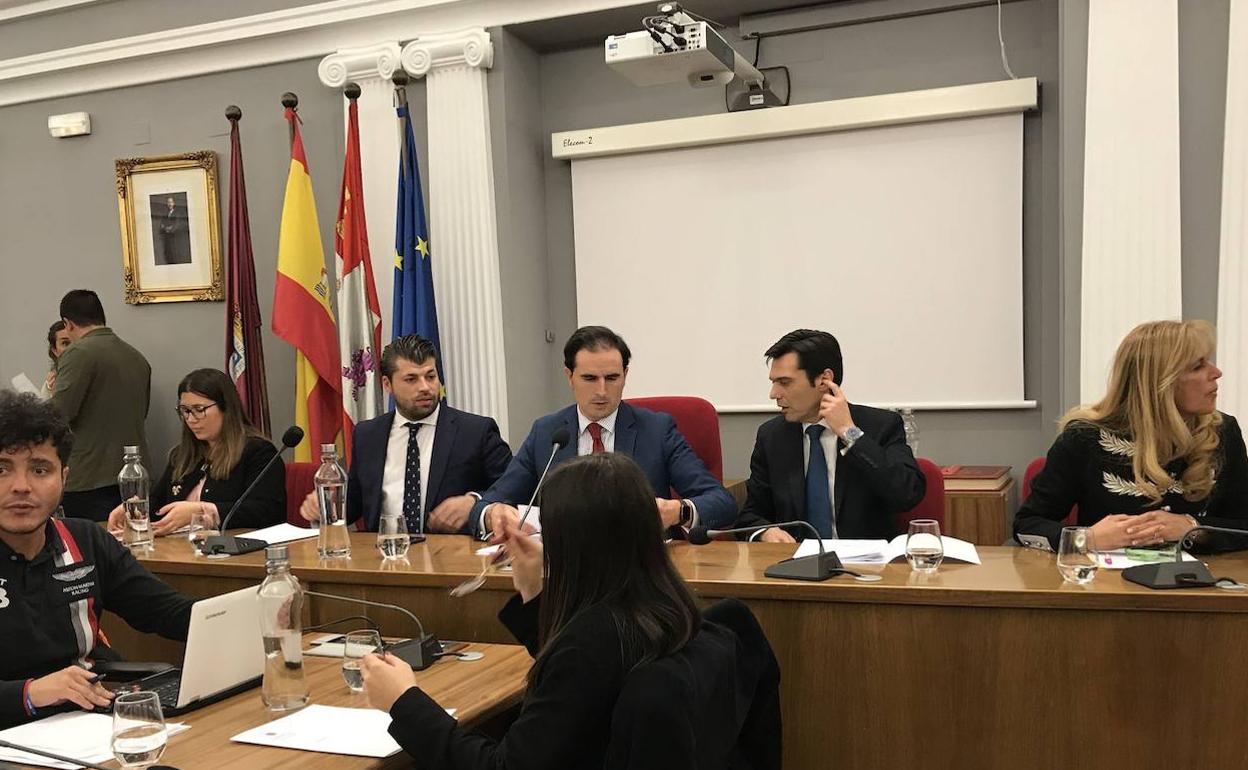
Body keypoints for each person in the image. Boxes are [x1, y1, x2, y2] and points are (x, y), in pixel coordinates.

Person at [361, 453, 754, 768]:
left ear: (572, 545)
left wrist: (403, 702)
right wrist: (534, 592)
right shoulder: (667, 603)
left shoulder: (590, 646)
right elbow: (585, 695)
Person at [0, 392, 196, 728]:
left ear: (64, 478)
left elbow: (170, 613)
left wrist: (255, 614)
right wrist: (30, 692)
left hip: (86, 721)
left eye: (40, 469)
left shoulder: (85, 540)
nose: (21, 486)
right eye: (2, 469)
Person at [471, 326, 735, 539]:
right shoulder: (548, 433)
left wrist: (678, 511)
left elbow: (721, 502)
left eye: (611, 378)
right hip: (565, 570)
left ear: (625, 375)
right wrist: (493, 514)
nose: (601, 390)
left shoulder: (657, 430)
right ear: (569, 376)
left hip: (640, 572)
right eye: (589, 378)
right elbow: (485, 505)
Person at [1014, 320, 1248, 551]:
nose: (1216, 373)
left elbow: (1242, 527)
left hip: (1198, 584)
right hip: (1106, 583)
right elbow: (1027, 525)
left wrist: (1192, 526)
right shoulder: (1084, 438)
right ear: (1159, 383)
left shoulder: (1222, 432)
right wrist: (1088, 538)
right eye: (1198, 366)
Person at [297, 335, 511, 533]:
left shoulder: (475, 431)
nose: (425, 387)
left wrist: (475, 502)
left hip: (451, 558)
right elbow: (356, 503)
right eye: (411, 379)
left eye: (430, 376)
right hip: (383, 557)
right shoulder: (367, 435)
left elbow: (515, 490)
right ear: (387, 384)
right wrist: (328, 506)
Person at [734, 329, 926, 542]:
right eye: (773, 382)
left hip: (868, 567)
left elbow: (906, 494)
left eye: (785, 382)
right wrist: (765, 532)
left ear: (824, 380)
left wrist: (850, 434)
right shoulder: (772, 437)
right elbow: (750, 515)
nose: (774, 394)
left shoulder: (880, 426)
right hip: (795, 566)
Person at [106, 369, 286, 537]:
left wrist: (201, 511)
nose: (191, 420)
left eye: (199, 410)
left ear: (226, 408)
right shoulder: (182, 455)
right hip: (180, 550)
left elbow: (265, 511)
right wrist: (136, 508)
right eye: (185, 411)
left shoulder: (258, 452)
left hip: (236, 554)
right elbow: (158, 501)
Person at [52, 289, 152, 522]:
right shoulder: (136, 357)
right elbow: (142, 412)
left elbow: (58, 415)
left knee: (88, 550)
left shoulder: (78, 353)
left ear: (68, 323)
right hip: (135, 475)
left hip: (88, 479)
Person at [39, 321, 72, 399]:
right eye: (65, 343)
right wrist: (53, 394)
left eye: (77, 341)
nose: (73, 347)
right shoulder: (50, 385)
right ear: (54, 350)